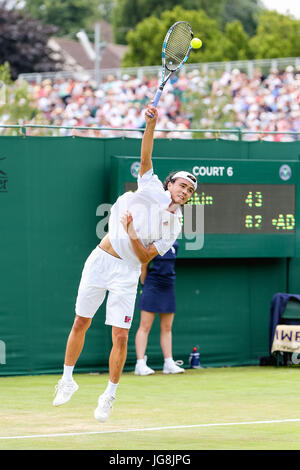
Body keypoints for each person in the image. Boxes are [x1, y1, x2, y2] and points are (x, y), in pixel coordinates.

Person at [52, 103, 198, 423]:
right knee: (81, 322)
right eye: (182, 185)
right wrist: (151, 124)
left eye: (190, 190)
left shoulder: (175, 225)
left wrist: (132, 233)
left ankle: (109, 395)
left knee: (120, 336)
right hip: (101, 260)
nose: (185, 191)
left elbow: (146, 257)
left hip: (128, 273)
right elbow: (146, 154)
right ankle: (67, 379)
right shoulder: (150, 185)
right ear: (169, 184)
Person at [134, 240, 185, 375]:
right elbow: (143, 266)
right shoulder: (152, 243)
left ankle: (168, 363)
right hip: (152, 285)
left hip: (168, 285)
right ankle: (140, 364)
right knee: (145, 326)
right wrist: (144, 287)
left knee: (167, 328)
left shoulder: (175, 244)